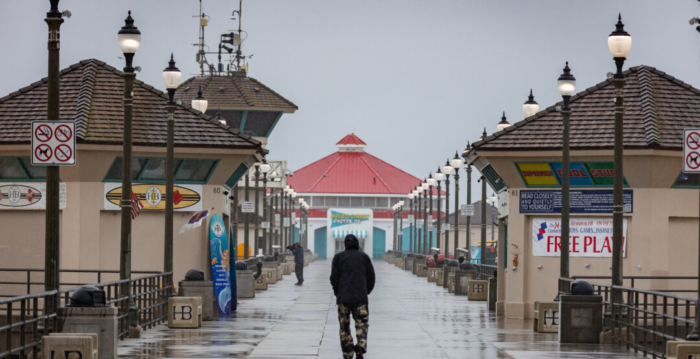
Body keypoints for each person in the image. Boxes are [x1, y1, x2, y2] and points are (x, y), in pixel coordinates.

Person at [330, 234, 376, 359]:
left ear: (345, 244)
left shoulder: (338, 257)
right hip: (360, 298)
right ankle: (360, 346)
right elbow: (371, 277)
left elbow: (334, 278)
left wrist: (337, 292)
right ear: (357, 244)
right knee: (362, 323)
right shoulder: (364, 257)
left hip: (343, 298)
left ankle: (347, 354)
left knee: (344, 327)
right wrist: (366, 291)